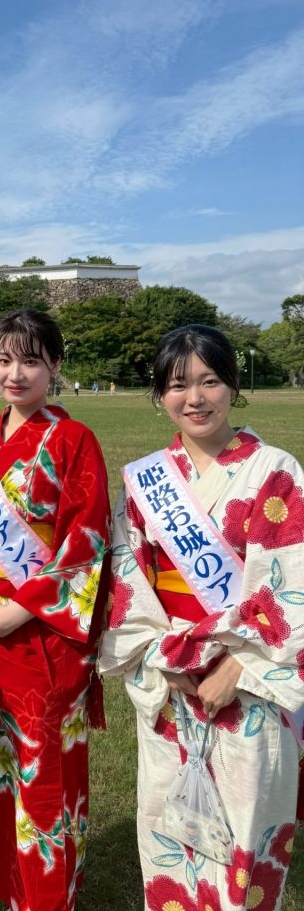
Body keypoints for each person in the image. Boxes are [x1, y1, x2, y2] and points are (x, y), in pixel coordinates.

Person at [99, 324, 304, 911]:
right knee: (170, 829)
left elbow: (292, 580)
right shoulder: (146, 482)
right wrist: (167, 661)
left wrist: (235, 666)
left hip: (248, 683)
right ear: (160, 394)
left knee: (244, 831)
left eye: (210, 380)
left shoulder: (275, 471)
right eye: (178, 384)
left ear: (233, 385)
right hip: (172, 680)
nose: (195, 398)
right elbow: (127, 578)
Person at [0, 309, 111, 911]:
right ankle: (6, 881)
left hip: (44, 634)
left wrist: (19, 610)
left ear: (55, 366)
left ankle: (46, 894)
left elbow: (86, 540)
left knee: (43, 768)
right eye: (3, 359)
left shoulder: (74, 441)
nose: (15, 374)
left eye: (30, 360)